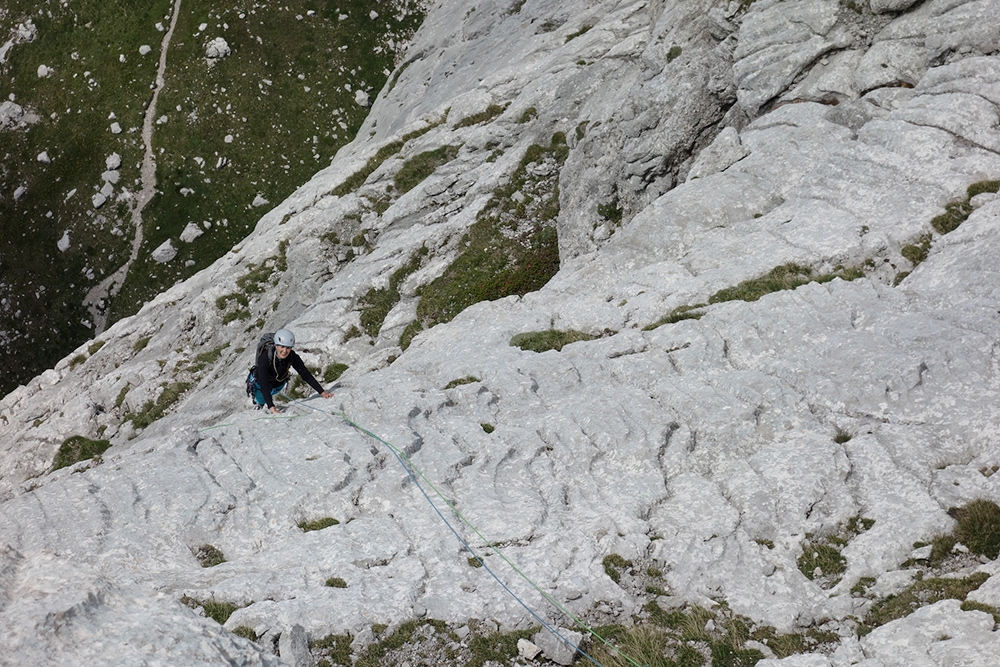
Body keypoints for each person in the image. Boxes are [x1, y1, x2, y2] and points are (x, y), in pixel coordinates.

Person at [251, 329, 333, 413]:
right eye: (282, 347)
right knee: (261, 400)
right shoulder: (265, 358)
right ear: (276, 345)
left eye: (288, 348)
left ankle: (262, 404)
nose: (285, 351)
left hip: (279, 384)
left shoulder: (292, 356)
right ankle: (259, 406)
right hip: (260, 384)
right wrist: (272, 407)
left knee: (266, 395)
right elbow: (263, 383)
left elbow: (305, 374)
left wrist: (322, 393)